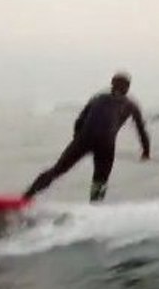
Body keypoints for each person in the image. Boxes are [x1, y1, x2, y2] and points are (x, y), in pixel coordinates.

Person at [23, 72, 151, 202]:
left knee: (58, 170)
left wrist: (79, 142)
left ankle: (26, 197)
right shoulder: (131, 105)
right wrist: (146, 152)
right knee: (100, 180)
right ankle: (95, 207)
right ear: (127, 87)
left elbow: (79, 122)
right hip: (105, 144)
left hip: (85, 140)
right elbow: (141, 130)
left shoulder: (98, 98)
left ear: (112, 83)